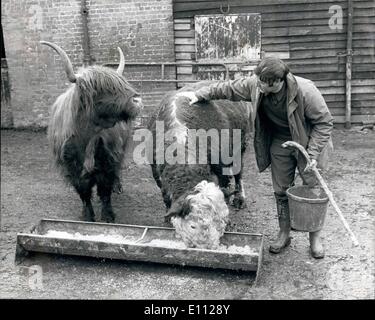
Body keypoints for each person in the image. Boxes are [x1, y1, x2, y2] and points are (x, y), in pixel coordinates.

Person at [176, 57, 333, 259]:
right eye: (257, 80)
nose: (257, 84)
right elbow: (229, 88)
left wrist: (312, 153)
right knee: (281, 190)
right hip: (280, 141)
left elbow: (324, 123)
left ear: (277, 82)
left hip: (309, 141)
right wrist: (200, 94)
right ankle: (284, 233)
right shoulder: (256, 84)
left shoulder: (306, 91)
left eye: (262, 82)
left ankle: (315, 239)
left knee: (313, 191)